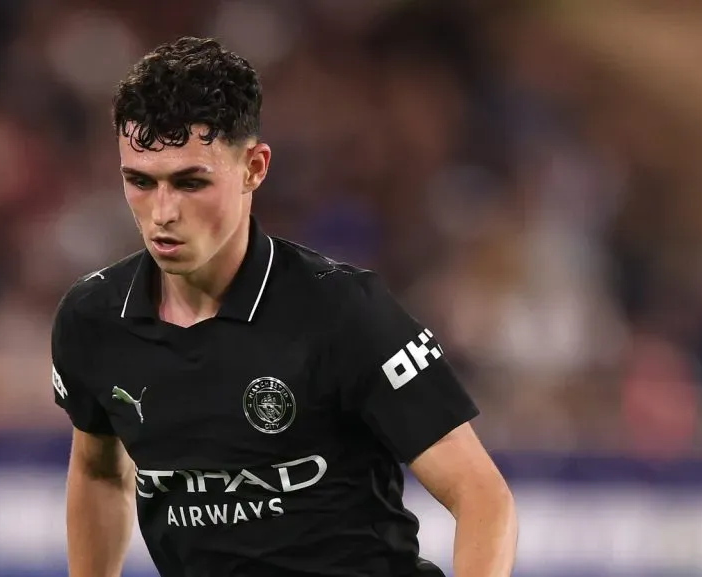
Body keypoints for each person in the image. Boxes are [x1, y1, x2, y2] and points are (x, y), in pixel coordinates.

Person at [51, 36, 517, 577]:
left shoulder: (345, 311)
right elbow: (100, 473)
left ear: (254, 167)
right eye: (140, 182)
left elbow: (482, 496)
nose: (162, 213)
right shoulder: (93, 322)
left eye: (190, 182)